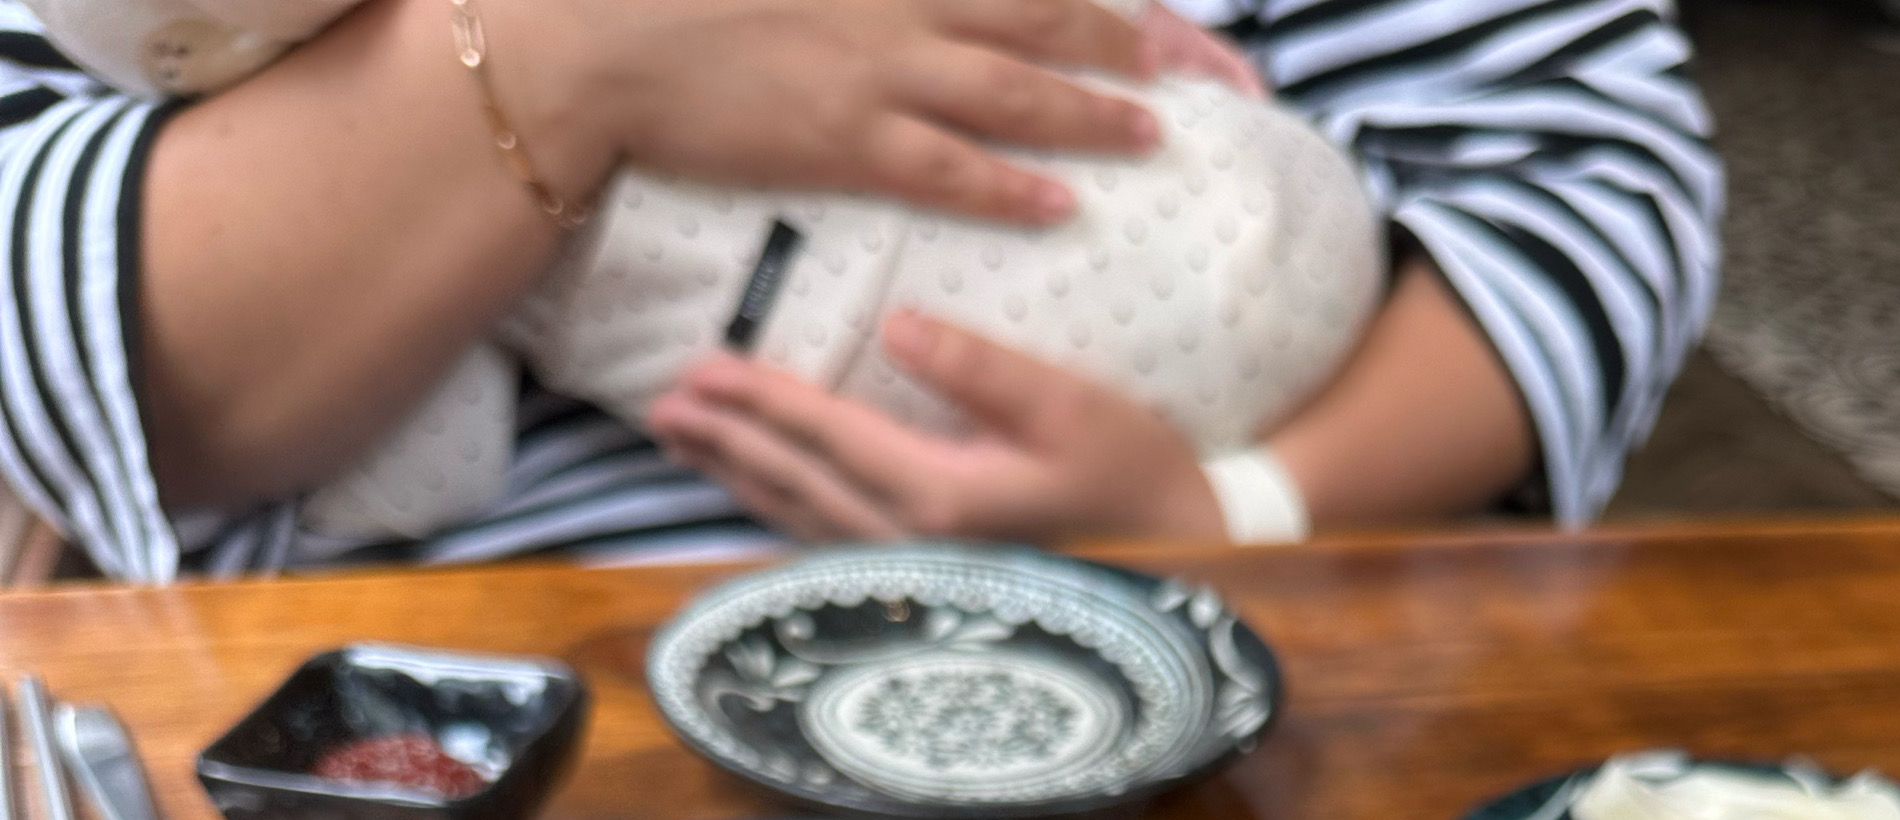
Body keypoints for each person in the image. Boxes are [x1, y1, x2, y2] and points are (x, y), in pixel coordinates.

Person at [0, 0, 1722, 581]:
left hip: (1172, 652)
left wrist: (1238, 503)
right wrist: (572, 54)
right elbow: (85, 327)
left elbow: (1587, 179)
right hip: (405, 727)